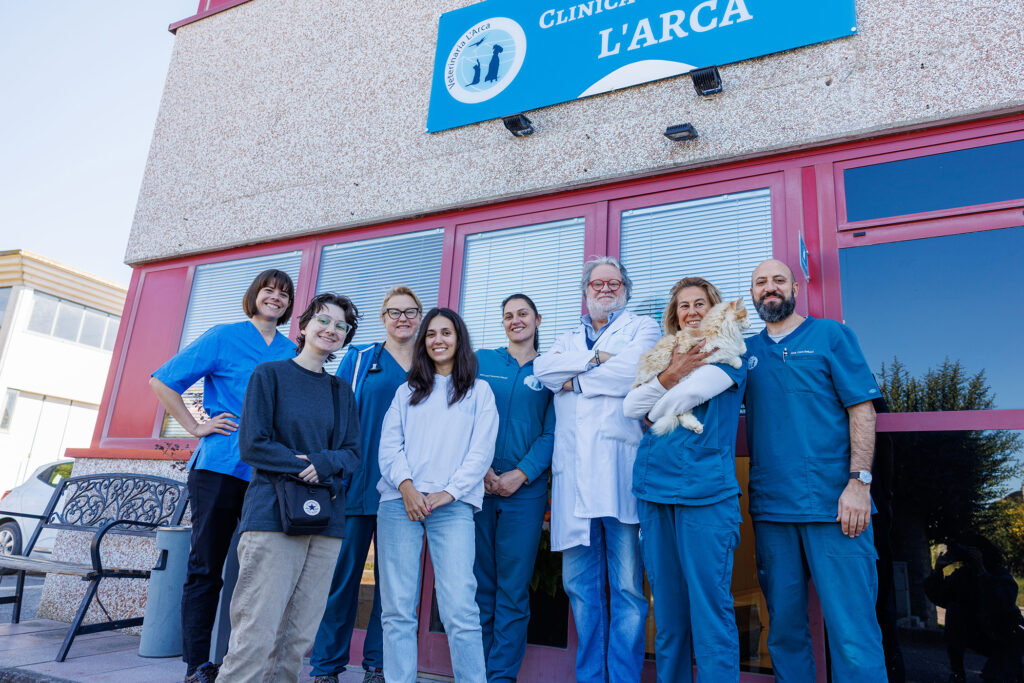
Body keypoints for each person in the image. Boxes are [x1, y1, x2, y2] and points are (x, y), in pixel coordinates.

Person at [743, 258, 887, 681]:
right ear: (752, 294)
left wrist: (859, 483)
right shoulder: (746, 352)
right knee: (784, 633)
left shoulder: (831, 335)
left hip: (836, 507)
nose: (769, 288)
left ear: (795, 288)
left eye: (778, 280)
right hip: (772, 510)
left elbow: (863, 411)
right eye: (760, 283)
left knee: (853, 635)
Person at [149, 269, 296, 683]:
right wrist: (196, 427)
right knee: (206, 566)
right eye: (269, 291)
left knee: (258, 572)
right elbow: (162, 381)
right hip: (218, 469)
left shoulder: (290, 351)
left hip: (267, 476)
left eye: (284, 295)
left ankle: (245, 660)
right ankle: (198, 665)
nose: (275, 298)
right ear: (255, 295)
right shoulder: (222, 336)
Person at [217, 293, 362, 682]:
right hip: (271, 518)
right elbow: (253, 444)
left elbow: (351, 453)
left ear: (346, 337)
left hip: (326, 523)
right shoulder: (270, 375)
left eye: (340, 326)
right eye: (323, 320)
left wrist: (325, 463)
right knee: (255, 634)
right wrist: (306, 466)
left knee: (296, 640)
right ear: (304, 325)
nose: (331, 329)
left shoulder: (341, 391)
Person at [533, 257, 661, 683]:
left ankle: (622, 677)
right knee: (580, 589)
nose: (605, 288)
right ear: (584, 289)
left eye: (614, 282)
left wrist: (578, 378)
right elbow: (543, 370)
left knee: (626, 588)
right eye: (597, 282)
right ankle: (591, 676)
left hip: (619, 470)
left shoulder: (644, 328)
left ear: (625, 286)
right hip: (574, 479)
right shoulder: (566, 337)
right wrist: (598, 359)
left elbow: (634, 372)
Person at [622, 277, 746, 682]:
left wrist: (657, 393)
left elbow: (670, 404)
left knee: (710, 614)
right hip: (655, 493)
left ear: (714, 308)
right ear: (673, 315)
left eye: (700, 304)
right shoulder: (666, 357)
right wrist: (670, 373)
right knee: (670, 615)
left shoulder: (727, 355)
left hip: (705, 497)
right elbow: (629, 407)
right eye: (683, 306)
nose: (691, 311)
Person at [376, 308, 499, 683]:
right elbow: (389, 448)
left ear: (459, 339)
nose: (438, 340)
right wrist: (408, 488)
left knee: (460, 607)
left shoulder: (479, 391)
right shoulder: (406, 392)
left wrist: (449, 492)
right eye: (431, 334)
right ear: (423, 342)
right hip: (401, 503)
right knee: (397, 609)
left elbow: (481, 452)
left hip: (454, 506)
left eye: (446, 333)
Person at [311, 286, 424, 683]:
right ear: (383, 318)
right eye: (394, 312)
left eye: (410, 312)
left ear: (419, 317)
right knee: (343, 580)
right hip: (357, 485)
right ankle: (326, 666)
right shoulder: (361, 359)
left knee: (393, 588)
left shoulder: (429, 364)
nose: (402, 318)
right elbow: (335, 414)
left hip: (406, 490)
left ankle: (378, 665)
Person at [474, 294, 555, 682]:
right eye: (508, 315)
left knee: (512, 588)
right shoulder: (482, 362)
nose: (515, 320)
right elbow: (462, 414)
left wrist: (520, 474)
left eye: (523, 314)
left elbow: (553, 432)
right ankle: (474, 671)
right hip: (477, 487)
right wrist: (483, 468)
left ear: (537, 319)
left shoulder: (552, 368)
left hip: (525, 492)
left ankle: (500, 676)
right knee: (479, 585)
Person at [924, 535, 1024, 683]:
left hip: (1007, 636)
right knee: (954, 609)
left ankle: (1016, 670)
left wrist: (982, 571)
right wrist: (938, 571)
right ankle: (957, 672)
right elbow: (940, 597)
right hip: (980, 633)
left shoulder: (999, 574)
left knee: (996, 677)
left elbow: (1002, 602)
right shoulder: (963, 575)